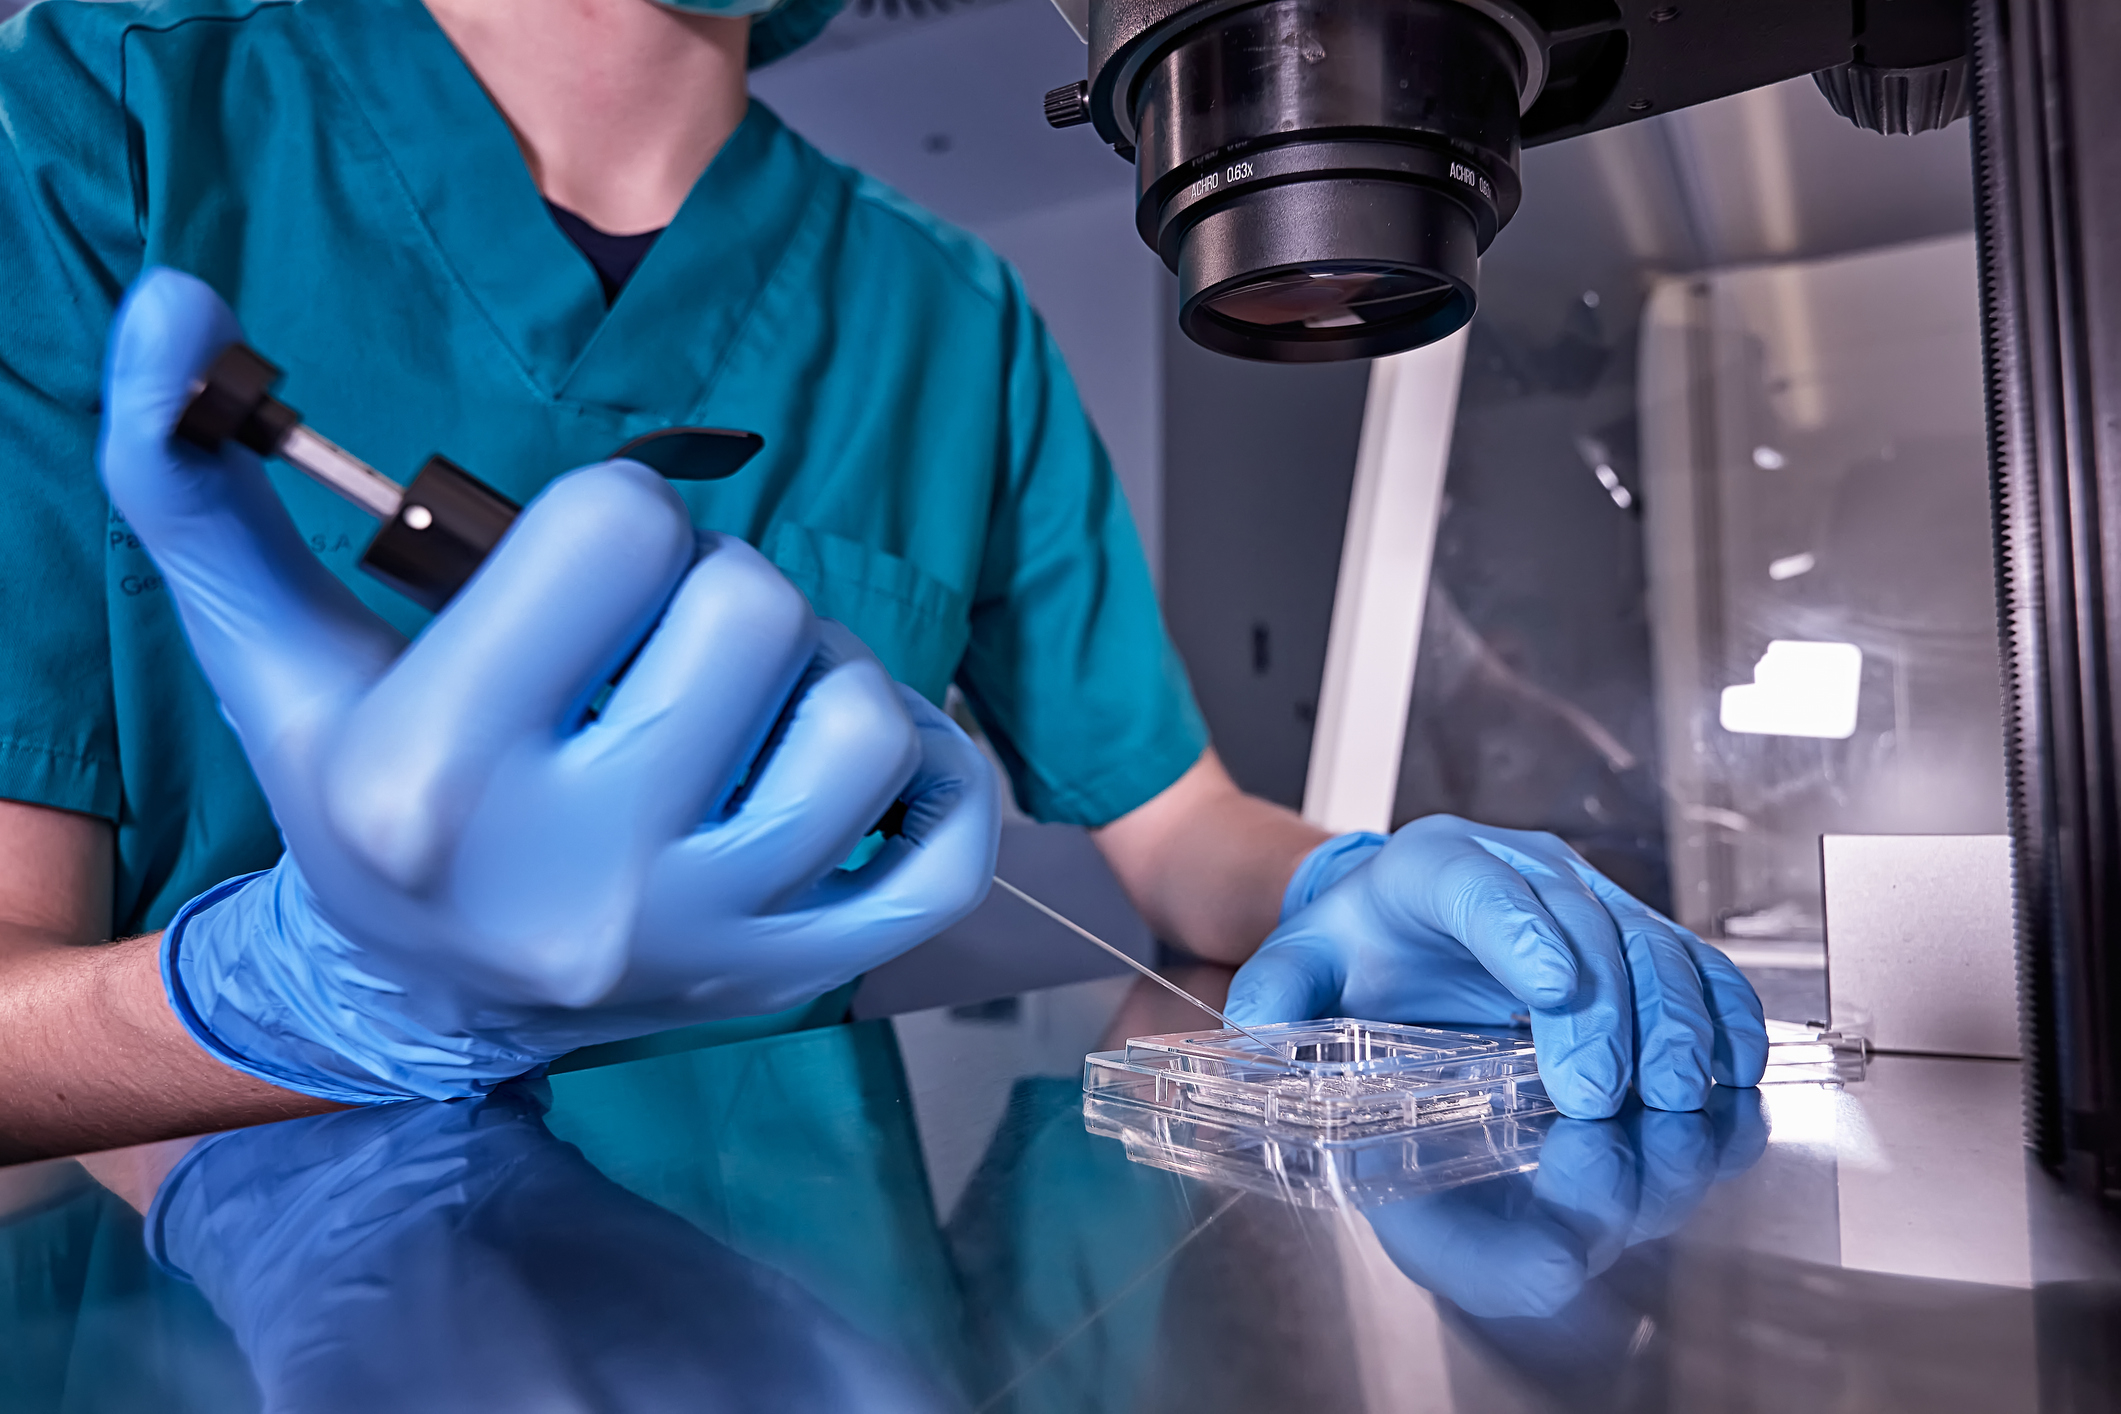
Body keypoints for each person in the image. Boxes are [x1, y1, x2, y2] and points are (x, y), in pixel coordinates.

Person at [0, 0, 1766, 1153]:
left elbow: (1185, 839)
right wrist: (303, 995)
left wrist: (1356, 888)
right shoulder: (114, 114)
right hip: (232, 1312)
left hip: (822, 1310)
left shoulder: (946, 309)